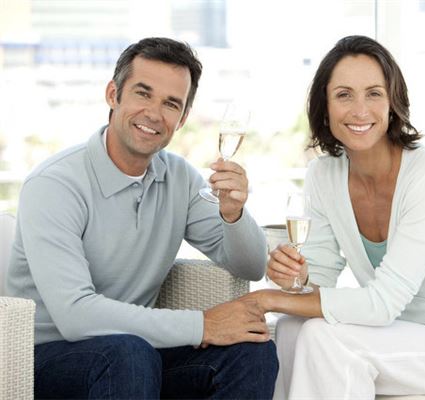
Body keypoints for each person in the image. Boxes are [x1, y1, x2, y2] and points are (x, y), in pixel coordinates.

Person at [242, 35, 425, 399]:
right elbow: (318, 280)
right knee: (292, 326)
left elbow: (382, 304)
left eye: (374, 94)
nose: (360, 110)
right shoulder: (323, 174)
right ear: (325, 106)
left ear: (393, 103)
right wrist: (294, 276)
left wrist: (266, 299)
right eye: (344, 95)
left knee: (324, 336)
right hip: (403, 337)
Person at [5, 37, 277, 399]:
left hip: (134, 356)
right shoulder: (55, 184)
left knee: (251, 350)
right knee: (128, 354)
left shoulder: (179, 178)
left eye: (171, 104)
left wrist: (234, 213)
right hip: (42, 362)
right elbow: (75, 316)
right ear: (113, 94)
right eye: (143, 94)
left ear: (182, 119)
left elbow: (251, 266)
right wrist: (202, 324)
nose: (153, 113)